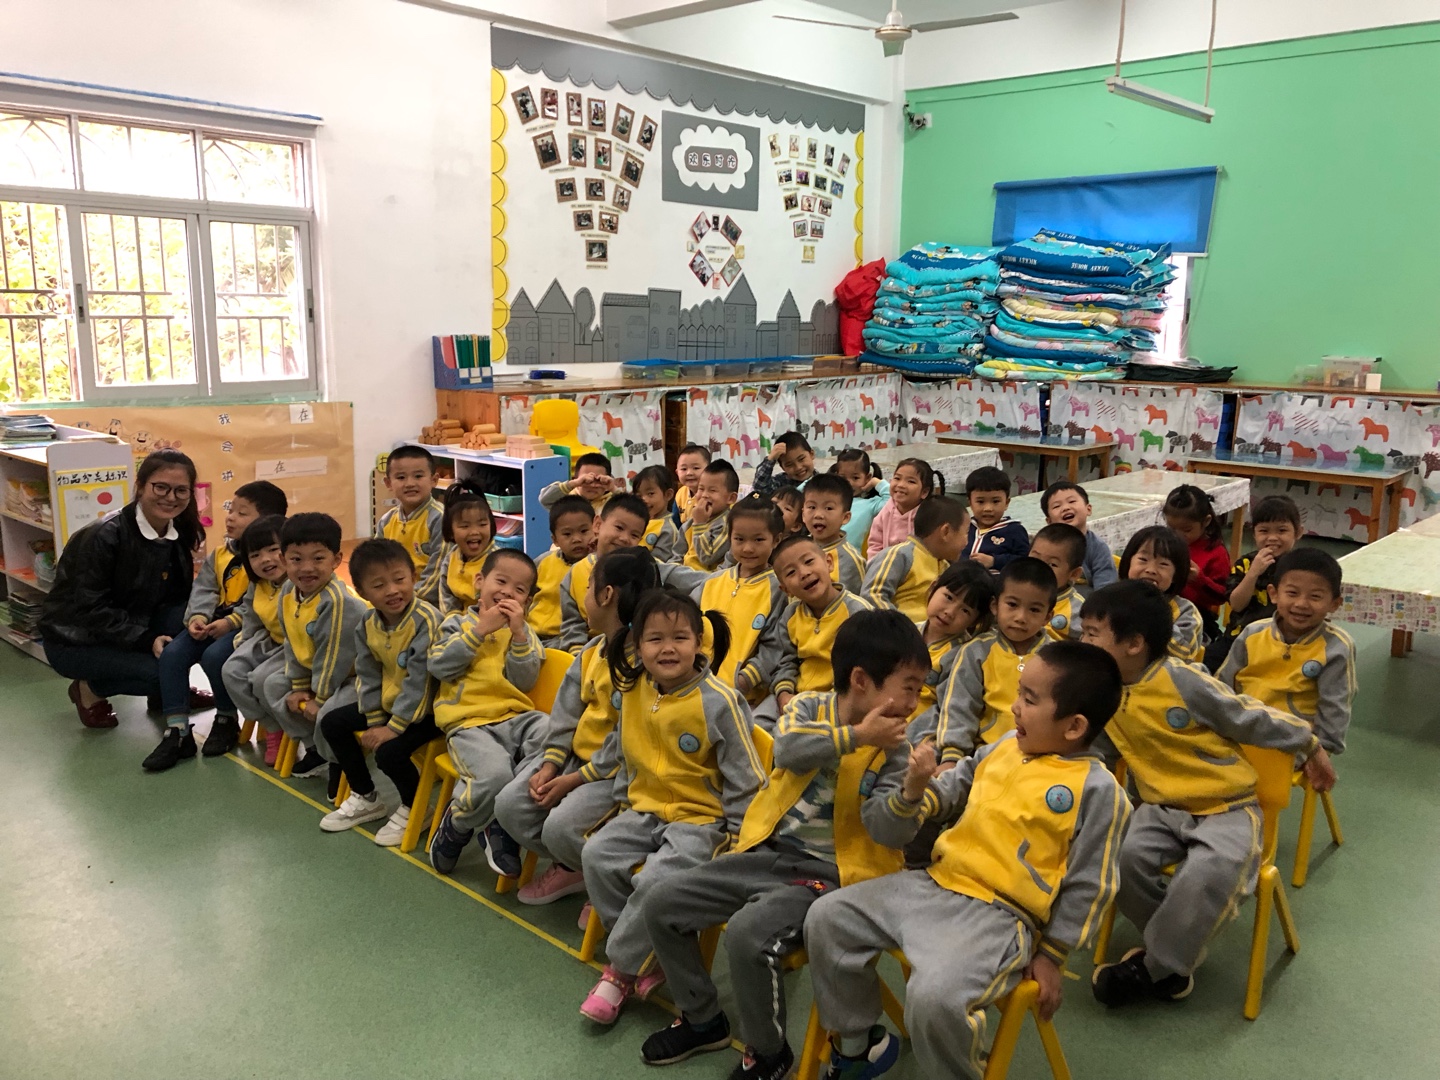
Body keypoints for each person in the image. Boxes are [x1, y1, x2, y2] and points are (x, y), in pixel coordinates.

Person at [804, 639, 1131, 1080]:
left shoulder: (1099, 790)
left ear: (1074, 727)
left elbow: (1092, 883)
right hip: (935, 882)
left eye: (1030, 699)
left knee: (935, 998)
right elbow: (952, 788)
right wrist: (915, 791)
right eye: (1019, 694)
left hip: (999, 915)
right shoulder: (1005, 746)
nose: (1014, 707)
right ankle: (858, 1047)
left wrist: (1052, 955)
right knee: (827, 917)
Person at [636, 611, 928, 1080]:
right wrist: (856, 737)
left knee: (749, 935)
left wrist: (910, 793)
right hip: (767, 852)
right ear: (860, 680)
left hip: (832, 876)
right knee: (661, 902)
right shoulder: (809, 708)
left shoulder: (895, 749)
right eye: (909, 687)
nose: (915, 702)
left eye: (919, 690)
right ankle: (703, 1019)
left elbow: (886, 832)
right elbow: (789, 750)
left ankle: (769, 1054)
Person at [1080, 580, 1335, 1007]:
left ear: (1134, 644)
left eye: (1092, 634)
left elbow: (1247, 716)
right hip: (1160, 807)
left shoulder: (1181, 679)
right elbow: (1097, 753)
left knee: (1209, 871)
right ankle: (1171, 957)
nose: (1083, 642)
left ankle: (1154, 967)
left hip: (1228, 806)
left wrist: (1307, 742)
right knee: (1120, 860)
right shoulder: (1103, 691)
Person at [578, 588, 766, 1025]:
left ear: (698, 643)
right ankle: (653, 954)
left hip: (701, 821)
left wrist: (742, 839)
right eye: (655, 639)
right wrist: (623, 802)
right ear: (638, 644)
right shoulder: (634, 690)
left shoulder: (720, 701)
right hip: (645, 809)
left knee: (655, 881)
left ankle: (618, 973)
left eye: (680, 638)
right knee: (596, 855)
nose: (667, 648)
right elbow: (625, 750)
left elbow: (747, 778)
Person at [495, 547, 660, 905]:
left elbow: (628, 743)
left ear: (606, 595)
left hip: (615, 774)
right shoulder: (592, 650)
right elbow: (565, 715)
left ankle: (603, 878)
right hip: (573, 760)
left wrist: (573, 780)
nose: (584, 596)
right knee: (510, 806)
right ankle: (575, 868)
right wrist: (551, 763)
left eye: (588, 588)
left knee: (560, 828)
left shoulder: (646, 664)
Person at [42, 450, 206, 734]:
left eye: (181, 490)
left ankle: (167, 693)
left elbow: (179, 597)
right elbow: (90, 610)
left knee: (195, 631)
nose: (171, 497)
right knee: (161, 672)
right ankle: (89, 689)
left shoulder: (178, 531)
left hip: (131, 626)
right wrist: (147, 640)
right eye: (161, 487)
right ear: (140, 486)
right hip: (78, 640)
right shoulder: (103, 535)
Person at [427, 549, 549, 878]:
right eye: (501, 581)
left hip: (515, 718)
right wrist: (479, 631)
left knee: (552, 733)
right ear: (480, 581)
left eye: (519, 589)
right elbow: (439, 666)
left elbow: (525, 681)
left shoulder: (525, 632)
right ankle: (458, 823)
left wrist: (519, 635)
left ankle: (499, 817)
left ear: (527, 601)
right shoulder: (456, 623)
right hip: (469, 723)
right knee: (495, 776)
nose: (508, 592)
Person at [151, 479, 288, 766]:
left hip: (241, 626)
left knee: (215, 657)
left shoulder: (270, 561)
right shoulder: (221, 554)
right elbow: (204, 588)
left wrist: (231, 622)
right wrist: (198, 618)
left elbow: (256, 603)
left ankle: (226, 718)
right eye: (231, 510)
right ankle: (177, 730)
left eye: (242, 512)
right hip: (212, 622)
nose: (230, 517)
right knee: (173, 654)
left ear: (267, 521)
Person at [315, 539, 443, 844]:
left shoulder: (427, 620)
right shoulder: (368, 623)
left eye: (399, 579)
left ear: (413, 577)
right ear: (362, 592)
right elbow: (368, 674)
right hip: (393, 705)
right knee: (332, 722)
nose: (392, 590)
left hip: (431, 710)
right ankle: (366, 796)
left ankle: (417, 807)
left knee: (388, 752)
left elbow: (422, 682)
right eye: (379, 585)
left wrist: (393, 728)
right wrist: (374, 719)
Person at [1219, 548, 1355, 756]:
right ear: (1274, 594)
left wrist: (1322, 751)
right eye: (1292, 593)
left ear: (1334, 604)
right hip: (1239, 732)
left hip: (1293, 745)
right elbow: (1223, 683)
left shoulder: (1336, 647)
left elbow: (1335, 705)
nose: (1301, 604)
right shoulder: (1253, 633)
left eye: (1315, 596)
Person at [263, 513, 368, 779]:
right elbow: (292, 640)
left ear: (336, 560)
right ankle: (314, 748)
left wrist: (319, 698)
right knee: (272, 685)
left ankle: (339, 763)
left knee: (328, 713)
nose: (307, 568)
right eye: (296, 559)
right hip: (318, 671)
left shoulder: (339, 602)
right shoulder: (288, 591)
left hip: (356, 677)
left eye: (318, 558)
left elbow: (335, 661)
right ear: (283, 560)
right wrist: (300, 686)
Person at [932, 557, 1056, 762]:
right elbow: (959, 707)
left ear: (1047, 617)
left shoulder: (1056, 658)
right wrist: (952, 757)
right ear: (995, 606)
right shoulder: (976, 651)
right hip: (986, 757)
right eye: (1012, 604)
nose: (1021, 617)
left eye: (1034, 610)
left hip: (1042, 758)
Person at [764, 534, 873, 710]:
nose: (804, 573)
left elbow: (862, 668)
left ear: (829, 563)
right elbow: (786, 660)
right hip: (795, 695)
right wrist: (784, 692)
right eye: (791, 572)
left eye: (808, 562)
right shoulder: (790, 615)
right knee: (757, 721)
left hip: (837, 699)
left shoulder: (857, 613)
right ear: (785, 590)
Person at [221, 515, 289, 766]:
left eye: (273, 549)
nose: (266, 559)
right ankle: (271, 724)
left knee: (261, 680)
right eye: (255, 555)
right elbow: (250, 617)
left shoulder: (299, 582)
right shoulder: (259, 584)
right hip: (270, 641)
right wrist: (245, 647)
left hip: (295, 646)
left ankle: (282, 729)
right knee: (231, 670)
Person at [1206, 495, 1302, 671]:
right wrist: (1253, 573)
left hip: (1284, 641)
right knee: (1205, 664)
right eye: (1264, 531)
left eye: (1281, 531)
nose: (1272, 538)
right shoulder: (1245, 563)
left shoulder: (1302, 567)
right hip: (1239, 637)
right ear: (1254, 534)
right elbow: (1236, 604)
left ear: (1298, 533)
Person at [907, 561, 996, 736]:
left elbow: (947, 711)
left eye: (965, 610)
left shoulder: (962, 655)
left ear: (975, 621)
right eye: (949, 597)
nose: (950, 612)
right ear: (933, 588)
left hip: (919, 733)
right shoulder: (906, 632)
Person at [557, 494, 649, 652]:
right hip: (590, 651)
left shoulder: (646, 568)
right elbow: (572, 625)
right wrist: (578, 653)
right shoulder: (576, 573)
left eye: (634, 535)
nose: (625, 538)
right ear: (598, 525)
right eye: (619, 528)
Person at [862, 495, 969, 623]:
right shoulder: (899, 555)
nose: (967, 542)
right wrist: (902, 628)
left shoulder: (946, 568)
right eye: (966, 533)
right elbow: (872, 595)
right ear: (946, 532)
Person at [1119, 525, 1203, 664]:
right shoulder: (1113, 599)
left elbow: (1184, 655)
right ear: (1129, 562)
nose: (1151, 570)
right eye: (1143, 559)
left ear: (1176, 575)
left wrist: (1151, 609)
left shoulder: (1186, 611)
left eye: (1163, 564)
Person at [377, 445, 444, 607]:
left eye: (418, 476)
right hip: (394, 598)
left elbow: (438, 574)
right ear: (388, 483)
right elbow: (376, 564)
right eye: (401, 477)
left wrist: (408, 601)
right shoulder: (386, 521)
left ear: (434, 480)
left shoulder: (440, 519)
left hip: (429, 603)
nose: (410, 483)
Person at [530, 495, 599, 648]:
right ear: (555, 540)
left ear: (596, 528)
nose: (577, 539)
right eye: (567, 534)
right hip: (532, 634)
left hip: (568, 638)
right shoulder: (543, 562)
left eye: (584, 531)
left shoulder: (596, 567)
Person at [1162, 484, 1229, 641]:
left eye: (1187, 530)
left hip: (1197, 616)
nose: (1178, 535)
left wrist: (1199, 579)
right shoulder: (1163, 544)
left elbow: (1223, 595)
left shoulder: (1216, 553)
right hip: (1163, 608)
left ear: (1206, 521)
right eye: (1172, 529)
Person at [435, 479, 496, 615]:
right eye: (464, 526)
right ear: (450, 530)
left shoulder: (497, 561)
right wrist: (452, 620)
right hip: (456, 622)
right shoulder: (451, 558)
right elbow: (446, 598)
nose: (474, 532)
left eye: (482, 524)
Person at [1041, 481, 1116, 589]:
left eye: (1072, 501)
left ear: (1088, 509)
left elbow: (1105, 589)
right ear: (1049, 521)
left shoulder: (1098, 548)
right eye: (1057, 506)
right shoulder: (1044, 547)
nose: (1065, 508)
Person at [866, 459, 940, 560]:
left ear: (924, 492)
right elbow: (875, 544)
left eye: (911, 481)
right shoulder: (886, 511)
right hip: (886, 566)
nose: (901, 485)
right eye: (897, 478)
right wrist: (875, 565)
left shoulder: (928, 516)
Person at [803, 474, 865, 593]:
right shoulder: (797, 549)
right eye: (812, 507)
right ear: (803, 515)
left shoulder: (851, 560)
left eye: (828, 508)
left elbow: (856, 599)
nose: (818, 515)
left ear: (845, 517)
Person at [963, 466, 1029, 572]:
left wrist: (994, 561)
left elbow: (1025, 562)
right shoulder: (964, 527)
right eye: (980, 502)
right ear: (970, 503)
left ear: (1006, 503)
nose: (988, 508)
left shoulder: (1015, 530)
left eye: (995, 501)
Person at [1029, 522, 1087, 641]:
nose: (1039, 568)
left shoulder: (1078, 610)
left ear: (1074, 574)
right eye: (1034, 559)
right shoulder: (1013, 590)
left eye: (1052, 564)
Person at [683, 460, 740, 572]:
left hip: (706, 576)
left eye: (712, 490)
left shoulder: (727, 525)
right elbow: (678, 552)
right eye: (701, 489)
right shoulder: (693, 519)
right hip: (684, 572)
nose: (704, 495)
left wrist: (699, 524)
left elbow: (706, 558)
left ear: (731, 498)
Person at [833, 448, 888, 554]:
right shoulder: (830, 499)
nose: (849, 483)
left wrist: (876, 482)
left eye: (855, 478)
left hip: (852, 559)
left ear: (867, 478)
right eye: (843, 478)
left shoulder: (871, 504)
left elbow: (893, 500)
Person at [541, 451, 621, 516]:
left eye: (598, 481)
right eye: (586, 481)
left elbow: (628, 509)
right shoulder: (567, 501)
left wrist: (613, 488)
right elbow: (545, 500)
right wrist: (573, 484)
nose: (593, 485)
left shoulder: (612, 504)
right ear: (576, 479)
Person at [634, 464, 685, 563]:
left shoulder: (668, 529)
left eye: (650, 494)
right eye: (639, 496)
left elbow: (657, 563)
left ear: (668, 495)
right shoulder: (637, 520)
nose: (644, 500)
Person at [752, 431, 815, 496]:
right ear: (782, 467)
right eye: (789, 465)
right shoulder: (782, 483)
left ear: (812, 454)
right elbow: (760, 487)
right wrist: (771, 459)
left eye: (801, 459)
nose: (798, 467)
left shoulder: (820, 481)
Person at [673, 443, 711, 522]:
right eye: (684, 469)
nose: (689, 473)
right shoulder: (680, 493)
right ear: (677, 472)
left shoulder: (712, 495)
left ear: (709, 470)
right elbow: (675, 522)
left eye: (696, 468)